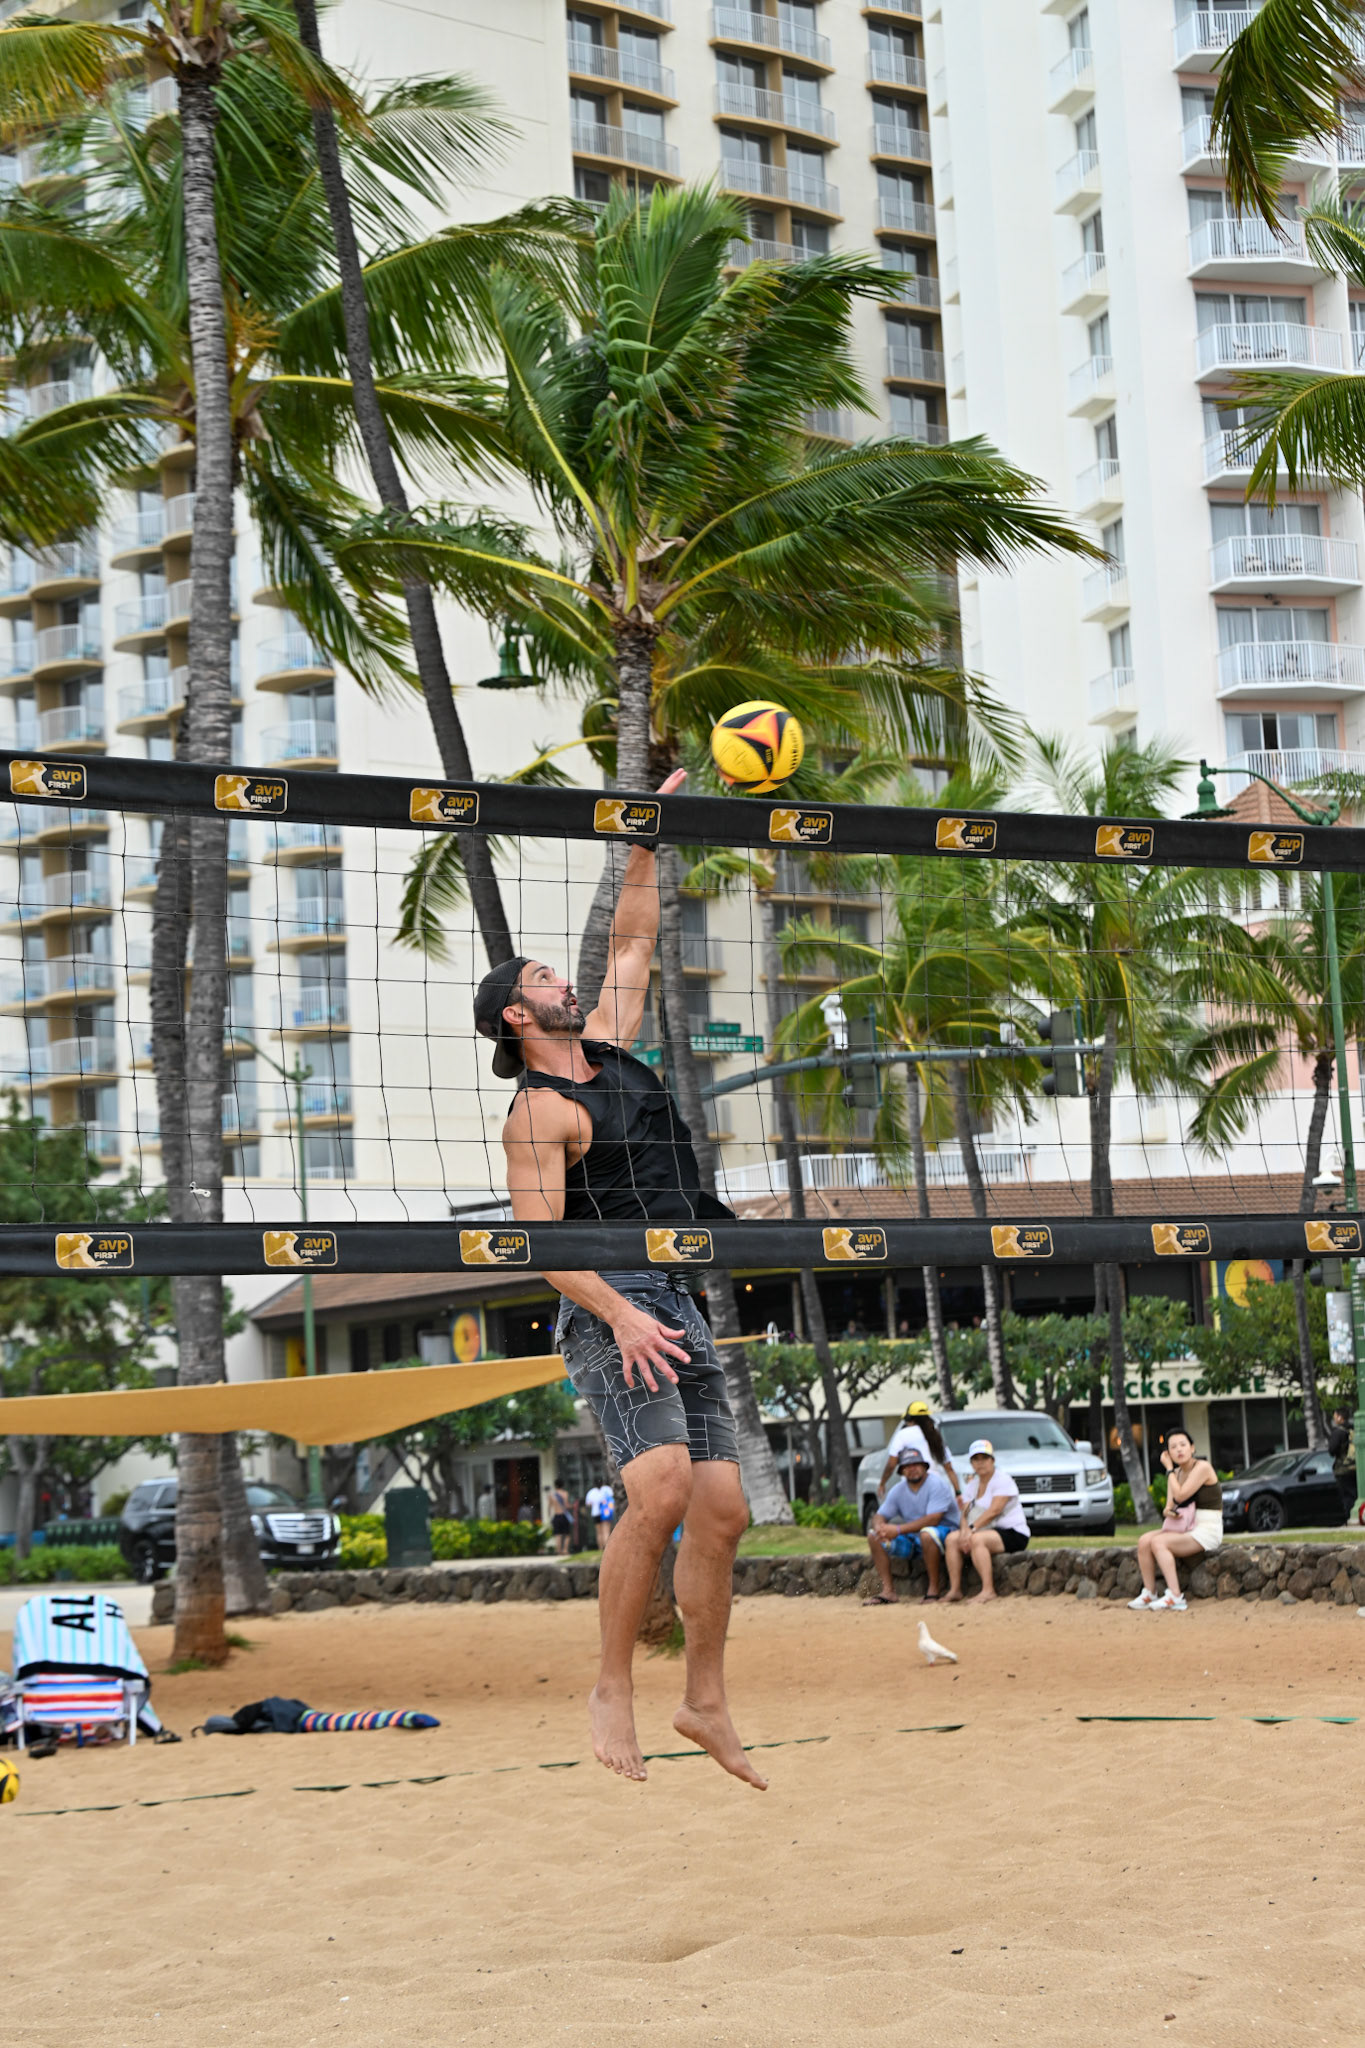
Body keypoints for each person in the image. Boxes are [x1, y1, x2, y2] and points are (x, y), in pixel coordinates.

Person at [475, 768, 764, 1792]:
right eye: (546, 975)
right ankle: (610, 1683)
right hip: (606, 1308)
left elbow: (635, 938)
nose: (566, 978)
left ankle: (705, 1698)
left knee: (723, 1507)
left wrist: (645, 833)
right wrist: (619, 1314)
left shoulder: (611, 1047)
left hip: (674, 1293)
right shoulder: (538, 1112)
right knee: (664, 1486)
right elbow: (540, 1244)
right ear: (517, 1013)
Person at [1129, 1428, 1223, 1612]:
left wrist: (1169, 1469)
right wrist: (1169, 1511)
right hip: (1187, 1526)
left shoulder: (1202, 1467)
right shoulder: (1177, 1473)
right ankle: (1150, 1592)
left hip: (1207, 1529)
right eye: (1173, 1447)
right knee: (1144, 1541)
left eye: (1183, 1445)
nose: (1179, 1450)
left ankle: (1175, 1596)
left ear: (1192, 1448)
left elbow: (1180, 1496)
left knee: (1159, 1542)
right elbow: (1170, 1506)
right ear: (1168, 1453)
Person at [863, 1446, 960, 1604]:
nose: (912, 1469)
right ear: (901, 1471)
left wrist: (898, 1529)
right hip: (914, 1539)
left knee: (927, 1533)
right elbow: (880, 1514)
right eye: (906, 1466)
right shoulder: (898, 1490)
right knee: (874, 1536)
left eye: (915, 1464)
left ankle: (933, 1590)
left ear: (924, 1467)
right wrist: (880, 1526)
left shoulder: (936, 1484)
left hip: (944, 1535)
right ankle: (889, 1592)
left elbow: (933, 1519)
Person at [944, 1440, 1030, 1603]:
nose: (980, 1462)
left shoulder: (1003, 1480)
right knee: (951, 1539)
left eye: (984, 1457)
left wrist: (971, 1529)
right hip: (985, 1530)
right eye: (976, 1459)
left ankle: (988, 1590)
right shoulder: (972, 1484)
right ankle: (955, 1589)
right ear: (971, 1463)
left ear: (992, 1460)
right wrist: (963, 1532)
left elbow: (995, 1510)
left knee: (976, 1539)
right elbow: (966, 1512)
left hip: (1013, 1532)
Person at [877, 1403, 962, 1503]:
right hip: (935, 1485)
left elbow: (891, 1464)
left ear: (909, 1418)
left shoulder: (903, 1434)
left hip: (913, 1486)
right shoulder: (935, 1435)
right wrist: (958, 1492)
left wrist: (882, 1483)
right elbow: (949, 1468)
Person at [584, 1480, 615, 1549]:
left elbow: (588, 1504)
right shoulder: (607, 1489)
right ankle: (606, 1547)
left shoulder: (591, 1492)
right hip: (605, 1513)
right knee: (606, 1531)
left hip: (595, 1513)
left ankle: (600, 1548)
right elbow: (611, 1499)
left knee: (599, 1532)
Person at [548, 1481, 573, 1556]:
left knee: (558, 1535)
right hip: (564, 1515)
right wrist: (572, 1506)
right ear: (563, 1485)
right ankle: (565, 1550)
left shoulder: (551, 1495)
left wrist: (549, 1516)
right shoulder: (565, 1493)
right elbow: (566, 1505)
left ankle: (558, 1551)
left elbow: (549, 1507)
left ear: (555, 1485)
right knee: (567, 1534)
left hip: (556, 1516)